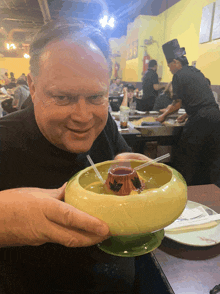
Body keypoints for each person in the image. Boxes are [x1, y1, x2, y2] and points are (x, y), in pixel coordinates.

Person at [0, 20, 151, 294]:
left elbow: (121, 164)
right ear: (32, 88)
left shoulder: (104, 125)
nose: (84, 118)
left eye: (96, 96)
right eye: (62, 98)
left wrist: (129, 169)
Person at [156, 39, 220, 187]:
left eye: (169, 66)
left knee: (187, 158)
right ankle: (210, 197)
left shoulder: (178, 75)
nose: (170, 69)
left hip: (201, 121)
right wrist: (187, 114)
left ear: (175, 62)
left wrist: (162, 116)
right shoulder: (196, 71)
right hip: (216, 117)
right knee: (211, 159)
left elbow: (177, 104)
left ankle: (186, 191)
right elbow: (200, 99)